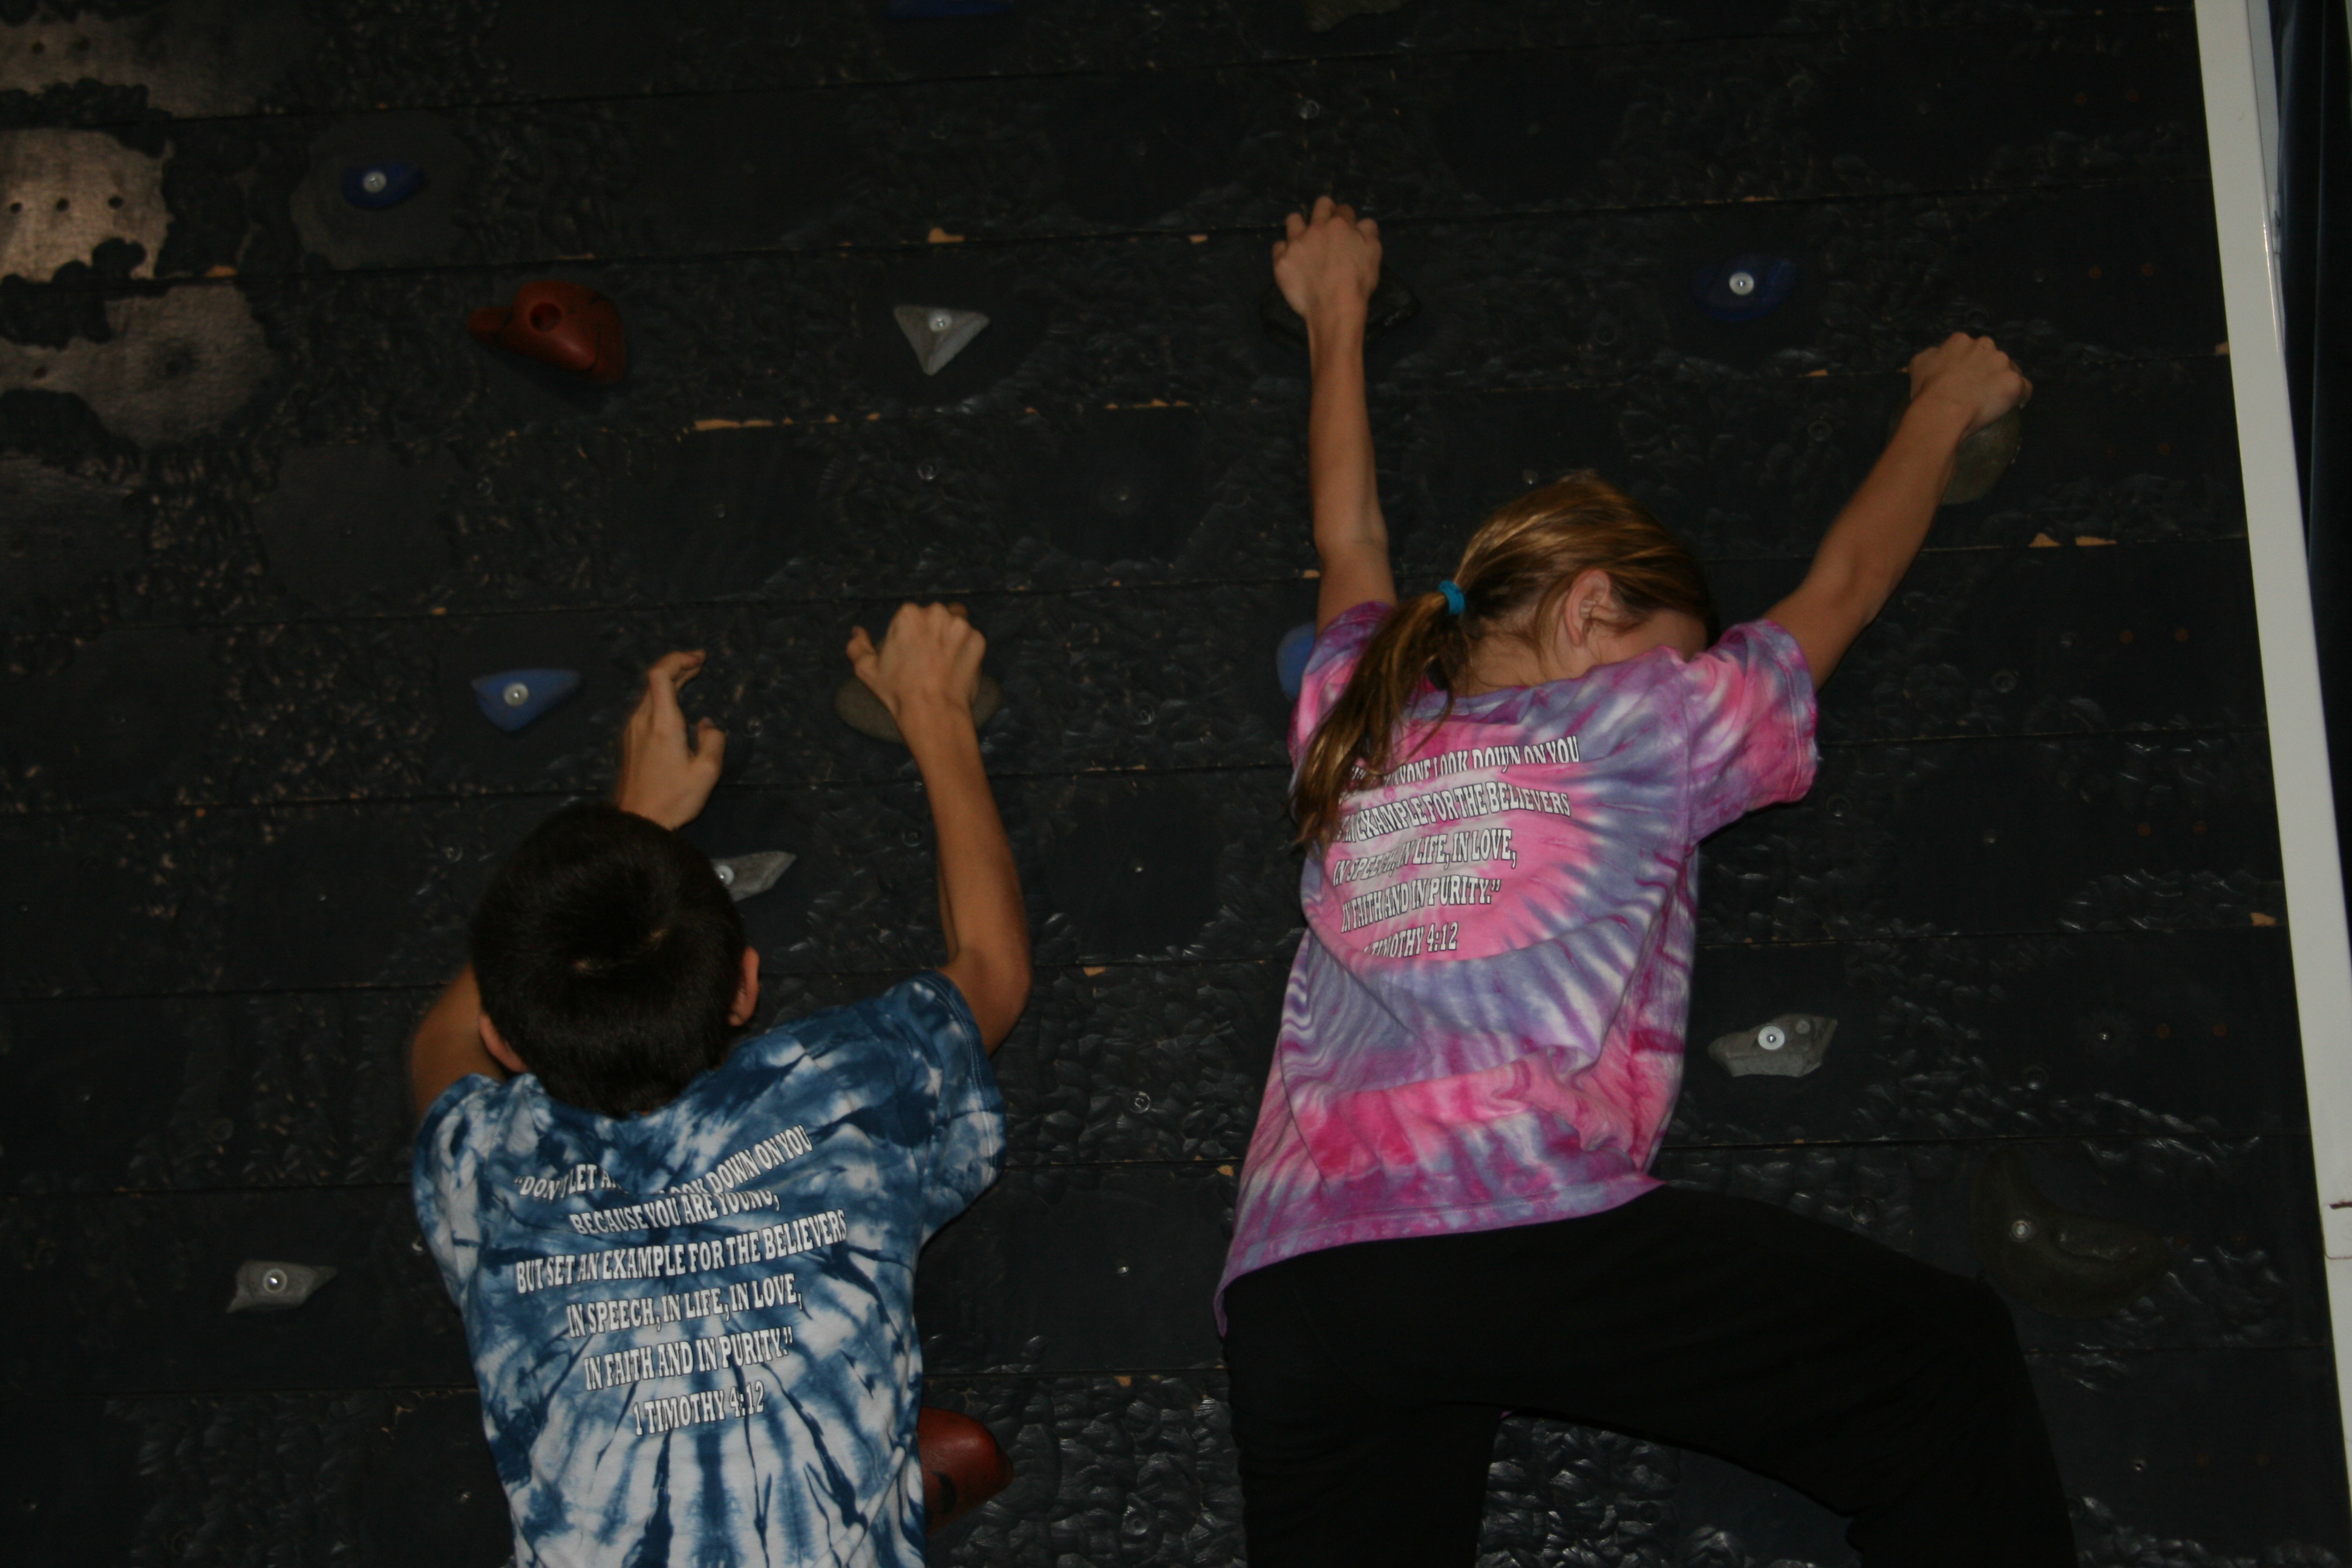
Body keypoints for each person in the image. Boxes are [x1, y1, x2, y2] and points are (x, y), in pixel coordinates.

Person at [1217, 197, 2070, 1567]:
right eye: (1669, 642)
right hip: (1509, 1212)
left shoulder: (1357, 717)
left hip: (1296, 1284)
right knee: (1939, 1368)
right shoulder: (1645, 721)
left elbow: (1350, 541)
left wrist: (1334, 311)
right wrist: (1942, 406)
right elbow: (1845, 588)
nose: (1686, 670)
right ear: (1589, 607)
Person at [408, 605, 1030, 1568]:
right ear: (745, 986)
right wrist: (937, 712)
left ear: (506, 1040)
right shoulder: (846, 1092)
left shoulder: (486, 1171)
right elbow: (992, 968)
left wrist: (628, 818)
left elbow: (436, 1048)